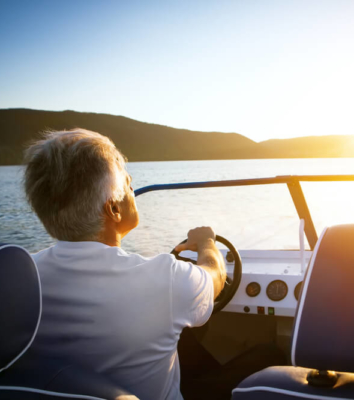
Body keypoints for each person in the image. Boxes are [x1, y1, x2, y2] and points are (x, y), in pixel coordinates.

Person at [24, 129, 226, 400]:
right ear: (114, 209)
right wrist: (207, 242)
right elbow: (215, 277)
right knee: (265, 355)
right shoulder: (164, 279)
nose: (132, 189)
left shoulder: (19, 279)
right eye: (128, 183)